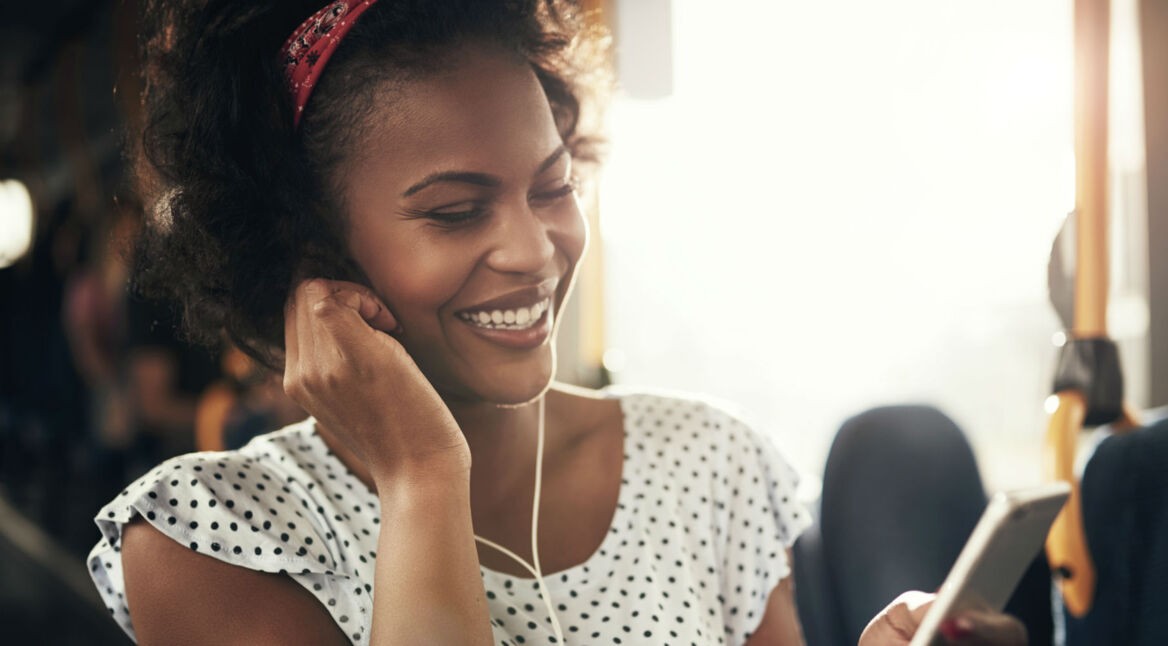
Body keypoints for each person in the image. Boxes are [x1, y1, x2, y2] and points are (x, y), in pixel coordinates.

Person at [88, 1, 1028, 644]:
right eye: (457, 212)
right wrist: (423, 479)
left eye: (553, 188)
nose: (535, 251)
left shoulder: (709, 462)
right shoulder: (209, 539)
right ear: (310, 250)